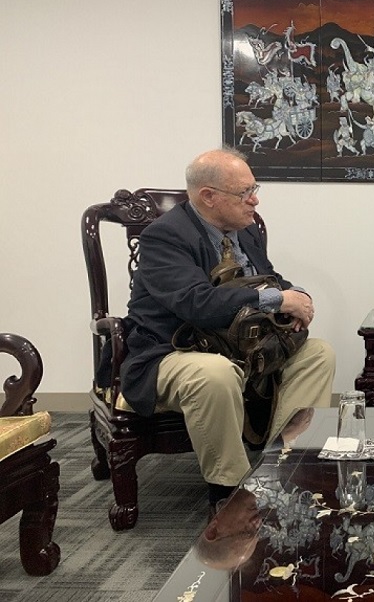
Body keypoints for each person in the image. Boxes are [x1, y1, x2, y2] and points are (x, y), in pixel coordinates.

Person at [120, 146, 335, 509]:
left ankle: (281, 464)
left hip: (244, 347)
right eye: (244, 192)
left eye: (255, 189)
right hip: (174, 350)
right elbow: (197, 303)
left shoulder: (244, 231)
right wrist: (277, 300)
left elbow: (271, 279)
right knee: (214, 373)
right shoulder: (164, 237)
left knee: (318, 353)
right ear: (209, 196)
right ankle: (230, 492)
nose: (255, 200)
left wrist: (297, 296)